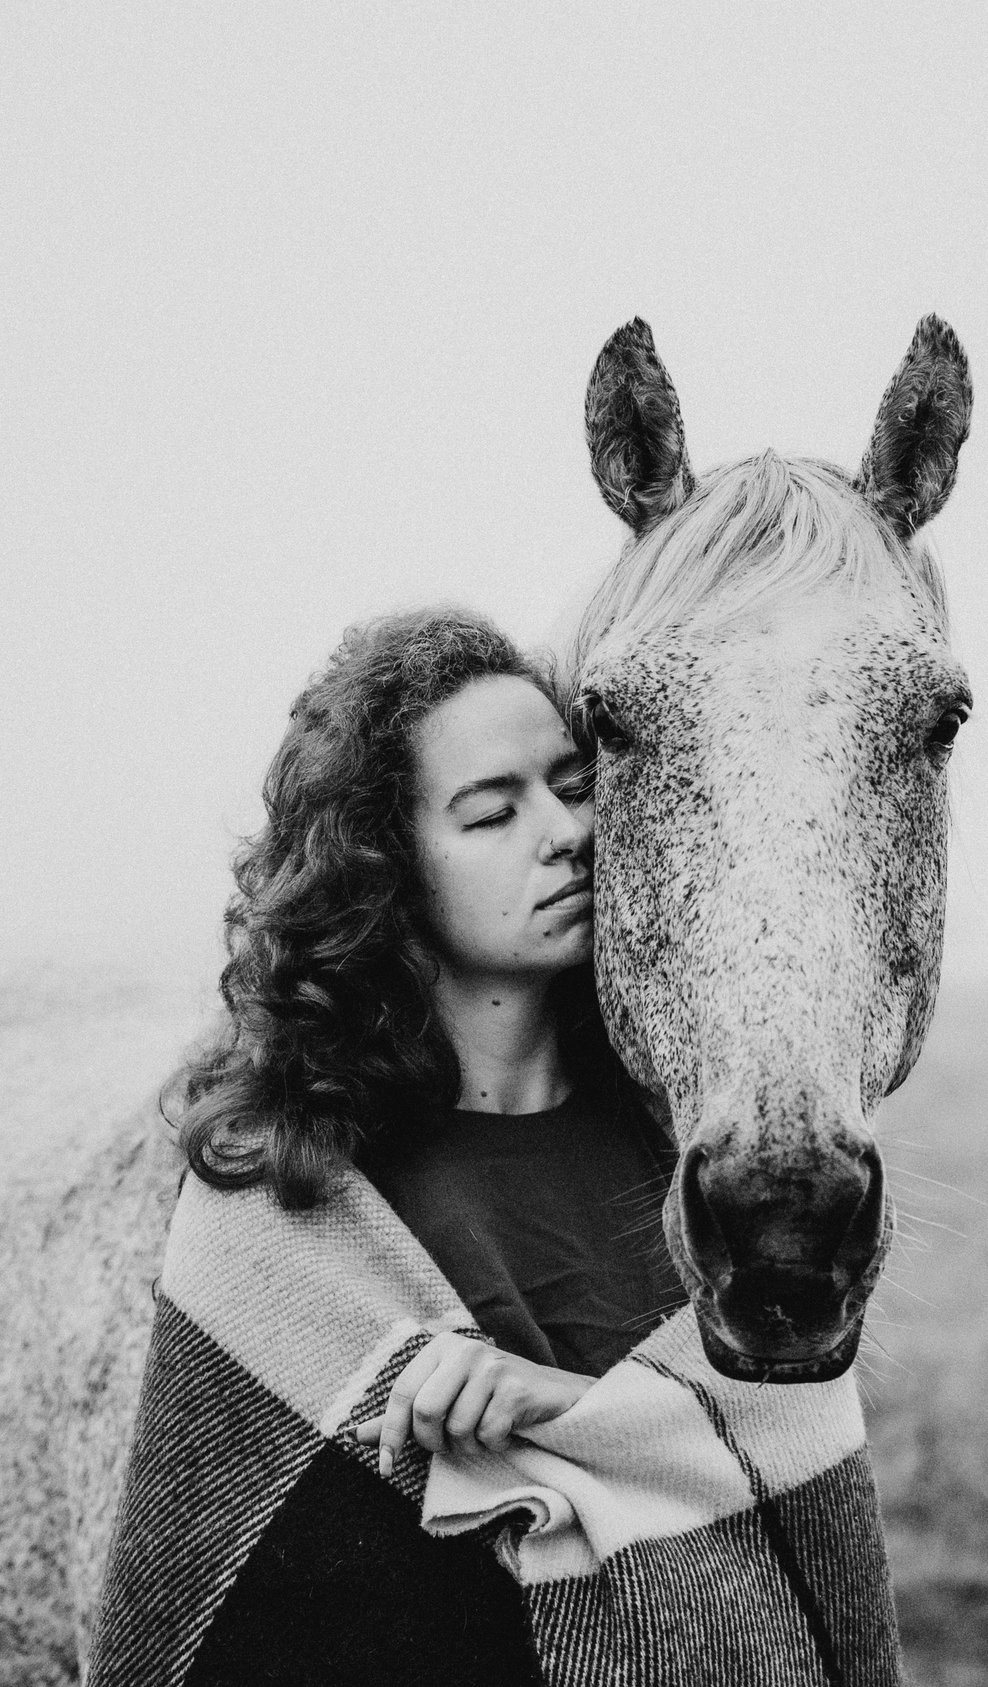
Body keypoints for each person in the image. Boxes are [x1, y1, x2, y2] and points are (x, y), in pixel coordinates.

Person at [166, 605, 686, 1477]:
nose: (568, 835)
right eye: (491, 815)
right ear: (384, 871)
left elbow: (783, 1432)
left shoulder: (682, 1134)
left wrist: (571, 1409)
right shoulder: (290, 1185)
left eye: (570, 785)